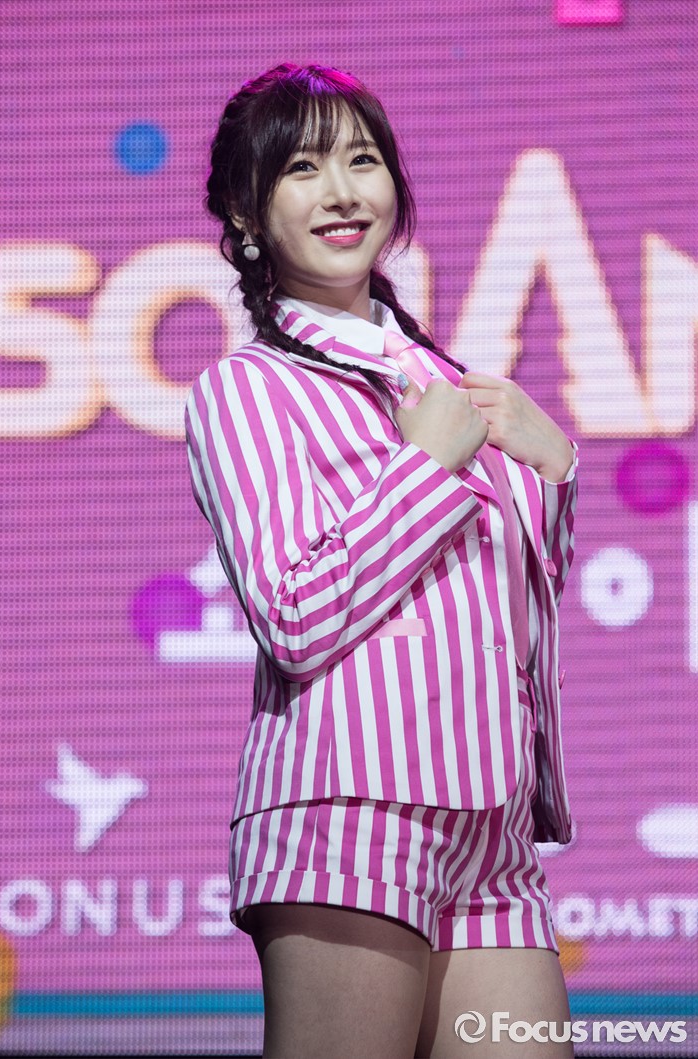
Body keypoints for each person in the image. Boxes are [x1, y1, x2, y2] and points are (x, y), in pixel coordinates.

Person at [185, 62, 578, 1059]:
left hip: (490, 823)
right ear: (245, 211)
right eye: (302, 168)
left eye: (362, 161)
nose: (342, 191)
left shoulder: (450, 383)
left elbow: (500, 608)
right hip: (350, 808)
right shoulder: (248, 387)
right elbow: (293, 615)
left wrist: (555, 472)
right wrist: (426, 467)